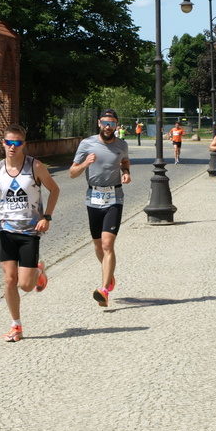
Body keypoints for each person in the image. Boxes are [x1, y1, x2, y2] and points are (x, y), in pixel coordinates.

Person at [0, 124, 60, 342]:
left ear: (24, 144)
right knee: (9, 280)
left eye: (17, 143)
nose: (12, 147)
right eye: (9, 142)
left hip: (30, 231)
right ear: (3, 143)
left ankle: (39, 273)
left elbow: (55, 190)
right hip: (6, 230)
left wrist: (46, 217)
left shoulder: (35, 166)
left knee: (26, 286)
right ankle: (16, 326)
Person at [69, 108, 131, 307]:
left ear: (116, 125)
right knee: (97, 246)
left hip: (114, 197)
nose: (108, 126)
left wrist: (126, 171)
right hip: (93, 198)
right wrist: (85, 163)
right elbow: (72, 173)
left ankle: (104, 290)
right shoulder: (87, 144)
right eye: (105, 122)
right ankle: (109, 275)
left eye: (112, 123)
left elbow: (125, 160)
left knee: (107, 245)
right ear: (99, 123)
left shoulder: (121, 145)